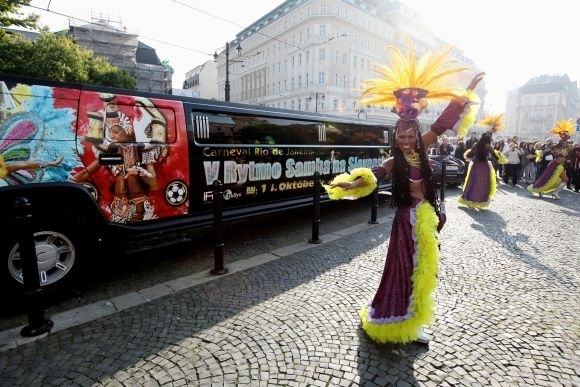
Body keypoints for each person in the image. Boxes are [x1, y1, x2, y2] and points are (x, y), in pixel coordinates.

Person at [324, 41, 484, 345]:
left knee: (423, 273)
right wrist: (348, 184)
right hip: (405, 222)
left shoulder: (424, 148)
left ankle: (415, 321)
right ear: (395, 137)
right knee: (402, 270)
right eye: (402, 136)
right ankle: (393, 319)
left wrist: (466, 91)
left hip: (425, 218)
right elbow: (372, 177)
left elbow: (443, 122)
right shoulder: (392, 161)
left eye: (411, 135)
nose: (408, 140)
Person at [457, 114, 503, 209]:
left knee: (472, 182)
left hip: (475, 166)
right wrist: (500, 158)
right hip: (483, 167)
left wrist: (490, 131)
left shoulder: (475, 145)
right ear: (488, 139)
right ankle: (479, 201)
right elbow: (495, 156)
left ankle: (469, 199)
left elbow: (468, 155)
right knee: (483, 184)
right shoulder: (488, 146)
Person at [527, 119, 573, 199]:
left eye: (566, 140)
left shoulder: (568, 148)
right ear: (561, 141)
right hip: (554, 165)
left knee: (565, 180)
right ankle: (539, 190)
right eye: (564, 141)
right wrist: (535, 155)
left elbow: (568, 156)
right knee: (545, 179)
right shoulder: (556, 148)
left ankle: (555, 192)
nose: (565, 143)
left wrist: (568, 160)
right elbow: (546, 152)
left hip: (561, 166)